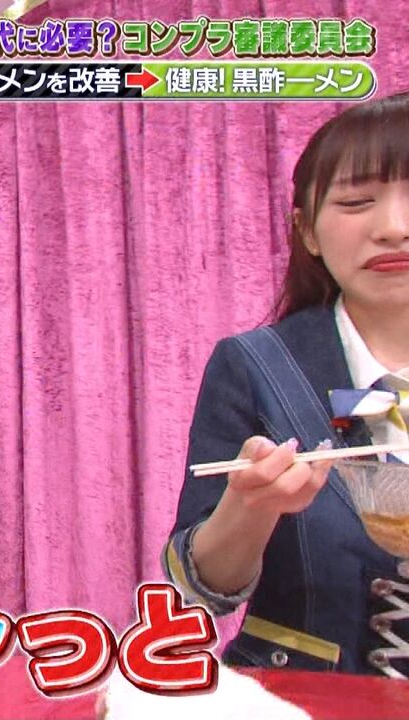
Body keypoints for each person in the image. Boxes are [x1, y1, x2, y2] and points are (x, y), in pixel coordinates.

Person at [165, 92, 409, 676]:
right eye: (356, 202)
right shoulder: (256, 365)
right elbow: (198, 589)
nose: (394, 229)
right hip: (302, 699)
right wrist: (251, 507)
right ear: (308, 231)